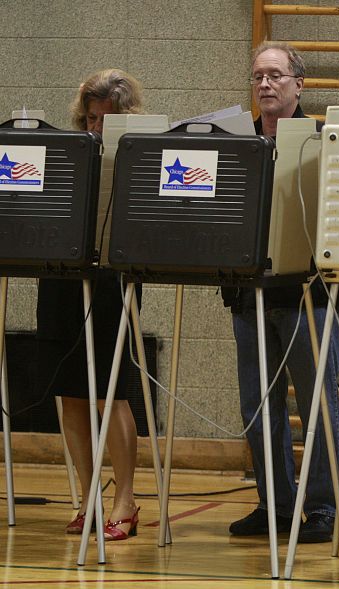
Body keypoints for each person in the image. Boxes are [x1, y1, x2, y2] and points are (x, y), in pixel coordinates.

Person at [224, 40, 339, 543]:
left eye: (275, 75)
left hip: (308, 296)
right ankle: (273, 504)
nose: (265, 84)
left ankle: (322, 507)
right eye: (258, 76)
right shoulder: (234, 140)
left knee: (318, 405)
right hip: (248, 294)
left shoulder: (323, 139)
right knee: (257, 405)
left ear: (299, 83)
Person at [37, 68, 143, 540]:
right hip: (61, 272)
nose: (96, 129)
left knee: (110, 390)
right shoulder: (66, 152)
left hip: (111, 275)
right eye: (91, 119)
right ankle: (88, 498)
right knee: (71, 392)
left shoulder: (139, 155)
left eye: (107, 120)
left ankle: (126, 499)